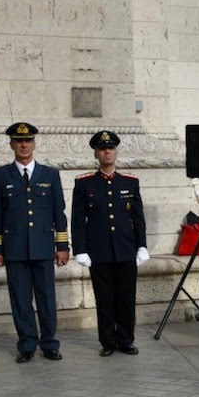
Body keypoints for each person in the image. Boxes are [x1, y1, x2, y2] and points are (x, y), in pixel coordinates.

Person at [0, 122, 69, 363]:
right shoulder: (0, 175)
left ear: (34, 144)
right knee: (20, 300)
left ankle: (49, 343)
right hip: (14, 249)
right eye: (18, 141)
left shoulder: (50, 174)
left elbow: (59, 212)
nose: (23, 145)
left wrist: (62, 246)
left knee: (46, 298)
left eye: (28, 141)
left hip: (43, 247)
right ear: (12, 144)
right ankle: (26, 344)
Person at [71, 131, 149, 356]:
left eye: (111, 148)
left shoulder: (130, 182)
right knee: (104, 299)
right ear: (96, 153)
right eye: (103, 149)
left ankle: (125, 339)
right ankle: (107, 341)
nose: (107, 152)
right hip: (100, 251)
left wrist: (142, 245)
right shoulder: (85, 183)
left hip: (125, 249)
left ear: (116, 152)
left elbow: (137, 217)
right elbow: (78, 219)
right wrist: (81, 249)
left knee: (126, 298)